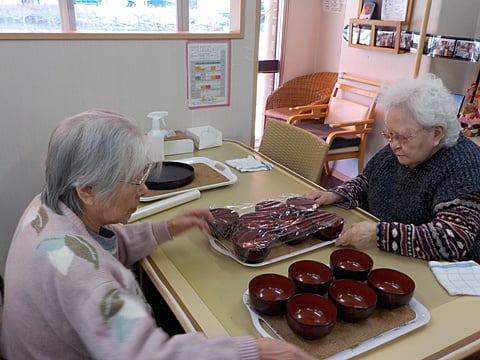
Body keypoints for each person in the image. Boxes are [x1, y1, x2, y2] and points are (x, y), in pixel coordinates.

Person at [1, 109, 314, 360]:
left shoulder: (49, 205)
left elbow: (104, 245)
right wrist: (253, 350)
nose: (145, 189)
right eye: (136, 181)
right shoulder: (87, 278)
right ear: (87, 189)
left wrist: (168, 227)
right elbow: (150, 354)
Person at [306, 74, 480, 262]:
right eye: (389, 135)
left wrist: (379, 235)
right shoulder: (399, 148)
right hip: (387, 257)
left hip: (436, 271)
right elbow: (367, 181)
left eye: (403, 137)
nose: (393, 144)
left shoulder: (464, 164)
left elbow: (452, 241)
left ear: (437, 133)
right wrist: (337, 194)